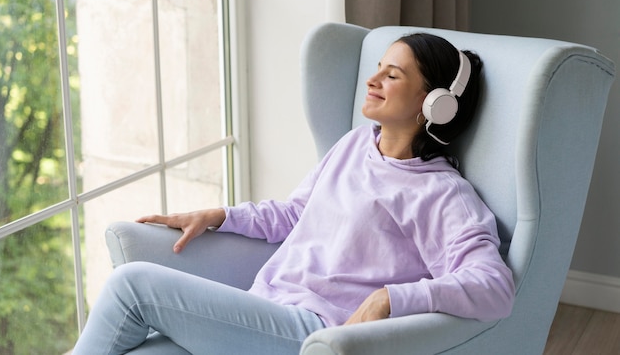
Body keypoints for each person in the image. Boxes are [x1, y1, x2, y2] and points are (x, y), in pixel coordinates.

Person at [73, 33, 515, 355]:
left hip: (314, 334)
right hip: (265, 303)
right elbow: (297, 213)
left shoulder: (442, 194)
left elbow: (495, 287)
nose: (372, 79)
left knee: (132, 285)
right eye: (377, 66)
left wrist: (389, 298)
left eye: (392, 74)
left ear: (434, 103)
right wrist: (220, 215)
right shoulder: (356, 144)